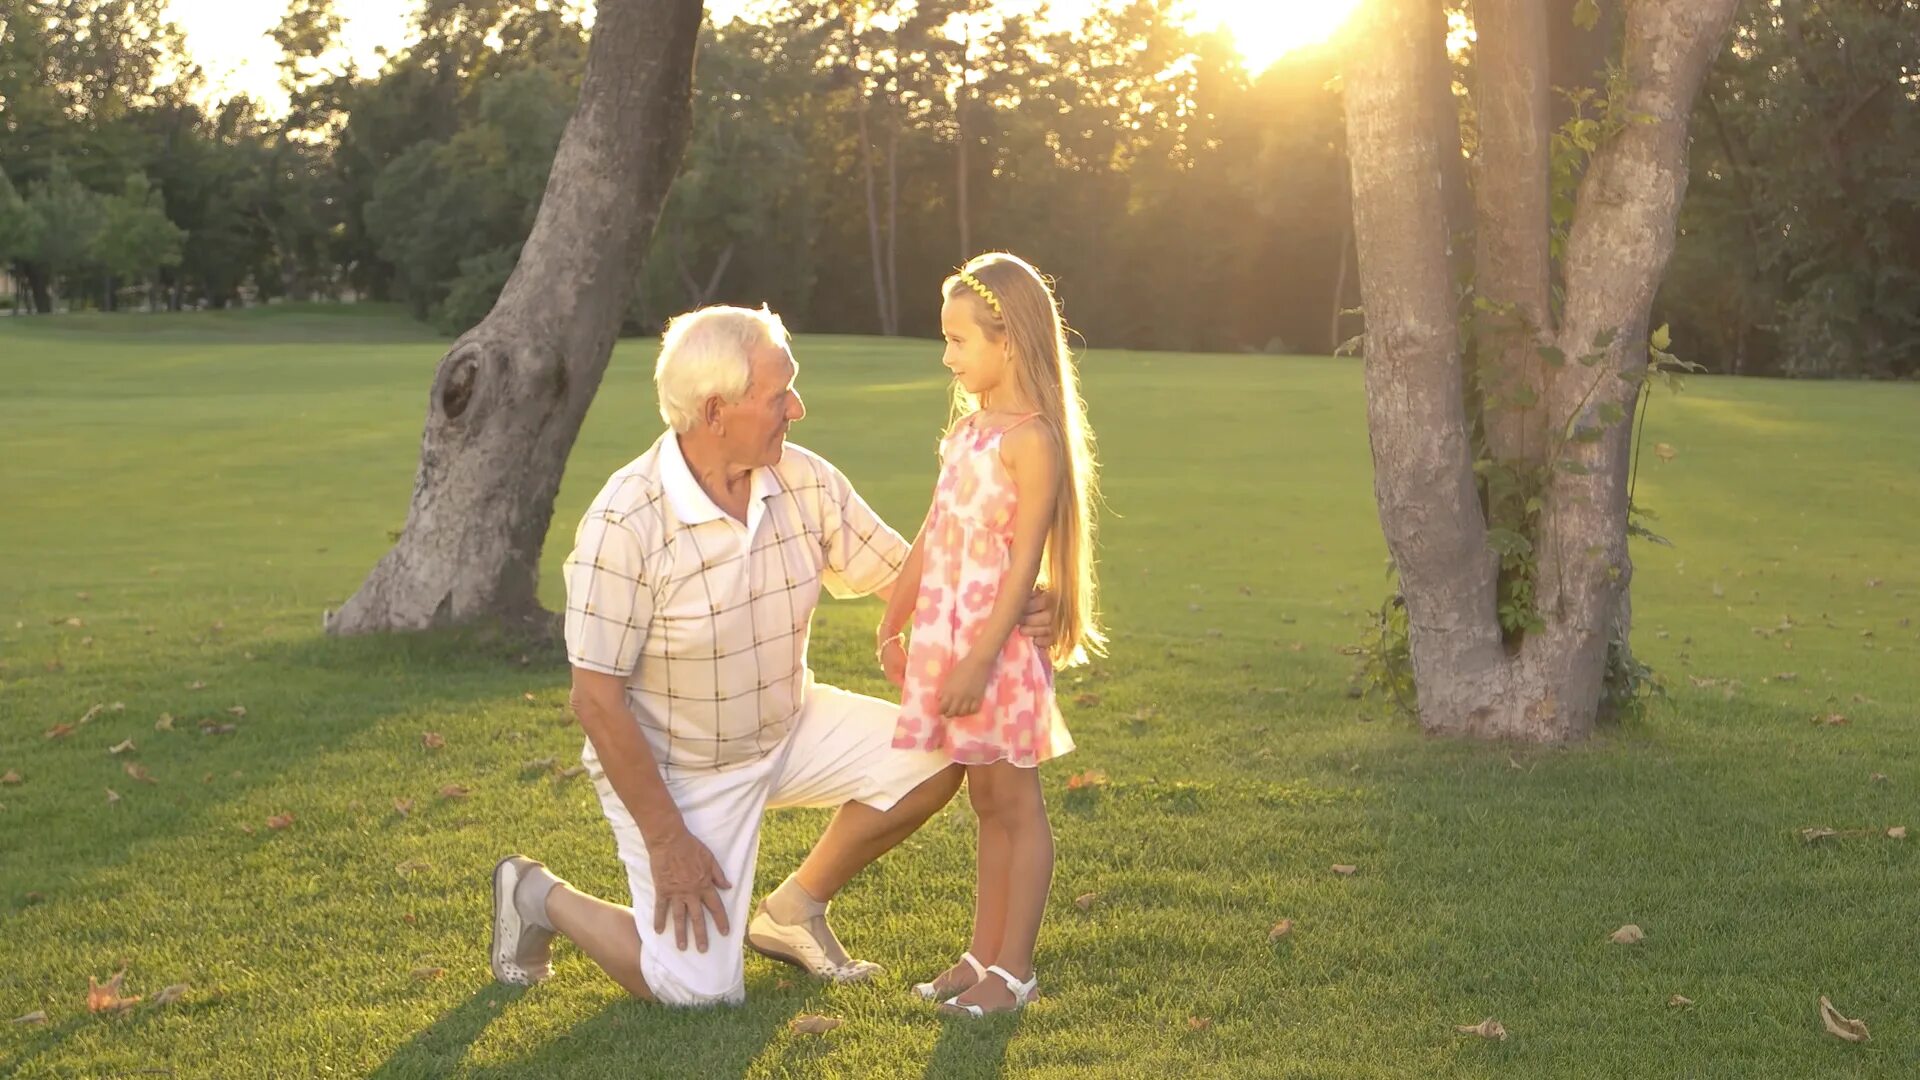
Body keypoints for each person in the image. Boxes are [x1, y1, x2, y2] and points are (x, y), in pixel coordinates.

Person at [488, 304, 1052, 1006]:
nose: (798, 407)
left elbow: (918, 577)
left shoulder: (805, 480)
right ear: (716, 410)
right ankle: (537, 895)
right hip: (680, 770)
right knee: (695, 991)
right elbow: (594, 701)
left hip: (788, 725)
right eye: (779, 393)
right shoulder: (624, 520)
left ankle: (793, 911)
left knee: (937, 753)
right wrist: (669, 841)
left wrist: (1022, 602)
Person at [879, 253, 1104, 1017]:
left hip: (996, 649)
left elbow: (1023, 564)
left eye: (958, 340)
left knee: (1017, 804)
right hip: (951, 638)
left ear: (1007, 340)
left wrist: (979, 658)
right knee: (985, 803)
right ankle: (980, 953)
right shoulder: (970, 429)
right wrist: (892, 615)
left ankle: (1014, 971)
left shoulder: (1030, 440)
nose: (947, 356)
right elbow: (935, 529)